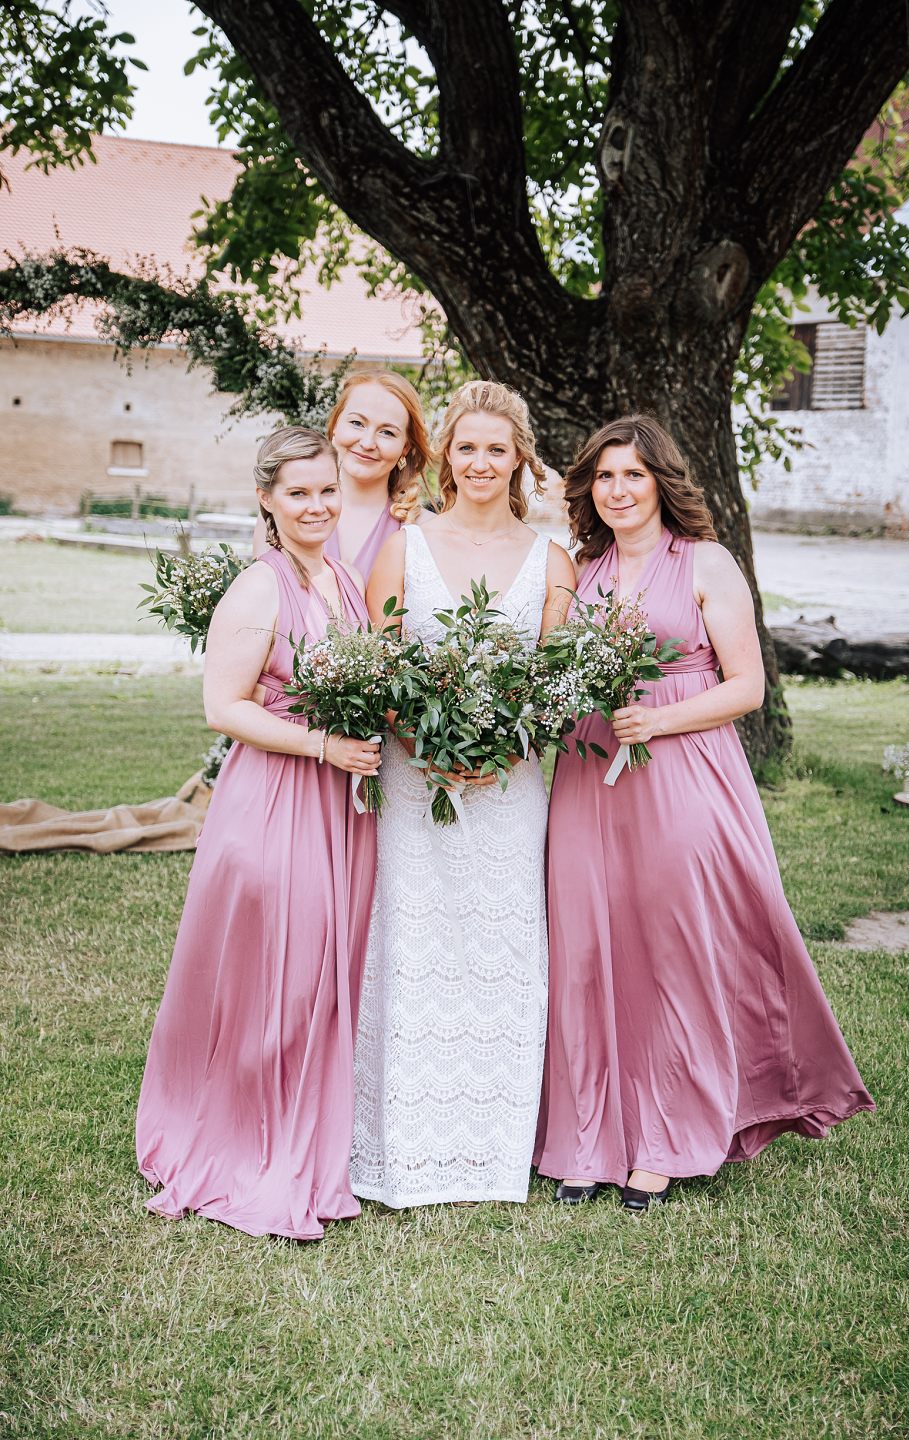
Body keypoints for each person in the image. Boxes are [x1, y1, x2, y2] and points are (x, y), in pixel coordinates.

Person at [534, 416, 875, 1213]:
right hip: (588, 779)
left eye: (634, 474)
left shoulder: (706, 562)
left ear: (662, 482)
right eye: (605, 476)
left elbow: (746, 687)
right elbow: (550, 674)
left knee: (673, 949)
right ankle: (587, 1138)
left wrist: (657, 720)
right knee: (587, 950)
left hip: (681, 774)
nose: (618, 490)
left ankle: (666, 1139)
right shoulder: (579, 572)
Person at [136, 427, 381, 1239]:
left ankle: (305, 1127)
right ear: (267, 500)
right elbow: (225, 707)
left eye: (326, 490)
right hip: (274, 801)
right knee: (277, 971)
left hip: (337, 805)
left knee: (319, 969)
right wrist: (322, 745)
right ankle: (248, 1136)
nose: (316, 506)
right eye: (298, 492)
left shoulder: (344, 578)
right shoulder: (257, 587)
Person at [351, 380, 576, 1207]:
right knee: (412, 942)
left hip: (511, 788)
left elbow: (554, 684)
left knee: (501, 945)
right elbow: (380, 666)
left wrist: (504, 746)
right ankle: (401, 1147)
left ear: (519, 459)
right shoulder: (402, 549)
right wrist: (423, 743)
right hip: (414, 783)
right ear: (446, 454)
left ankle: (493, 1148)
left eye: (497, 449)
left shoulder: (552, 561)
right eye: (467, 447)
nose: (481, 462)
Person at [252, 370, 430, 580]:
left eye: (387, 432)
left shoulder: (424, 529)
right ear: (335, 425)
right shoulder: (284, 513)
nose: (367, 443)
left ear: (405, 447)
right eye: (357, 423)